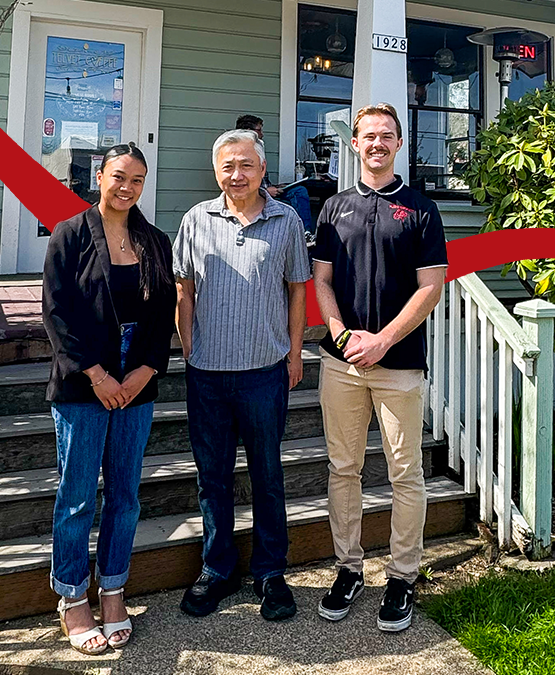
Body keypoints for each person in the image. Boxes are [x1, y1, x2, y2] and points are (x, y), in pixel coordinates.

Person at [310, 103, 448, 633]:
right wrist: (342, 334)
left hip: (399, 365)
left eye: (386, 136)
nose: (377, 143)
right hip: (341, 363)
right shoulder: (334, 208)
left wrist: (383, 340)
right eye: (368, 136)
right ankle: (348, 569)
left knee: (404, 473)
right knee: (343, 469)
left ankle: (402, 576)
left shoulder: (421, 209)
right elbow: (322, 281)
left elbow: (430, 287)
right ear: (354, 144)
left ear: (399, 143)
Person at [43, 143, 176, 654]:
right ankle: (73, 597)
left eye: (137, 180)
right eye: (119, 176)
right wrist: (98, 375)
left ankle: (114, 590)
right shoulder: (70, 234)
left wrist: (144, 371)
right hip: (83, 382)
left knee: (125, 495)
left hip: (136, 383)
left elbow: (163, 313)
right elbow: (56, 312)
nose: (127, 188)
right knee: (77, 496)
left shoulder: (155, 241)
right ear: (99, 177)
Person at [173, 128, 311, 621]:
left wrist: (294, 354)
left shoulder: (286, 220)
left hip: (264, 374)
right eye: (228, 166)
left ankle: (271, 572)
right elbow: (184, 290)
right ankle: (218, 569)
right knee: (212, 478)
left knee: (267, 476)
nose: (237, 174)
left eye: (246, 165)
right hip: (207, 376)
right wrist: (190, 348)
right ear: (217, 171)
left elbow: (298, 290)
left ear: (262, 169)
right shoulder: (196, 219)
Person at [235, 114, 315, 240]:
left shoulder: (257, 150)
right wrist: (265, 191)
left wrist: (276, 187)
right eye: (259, 130)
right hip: (257, 195)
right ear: (249, 131)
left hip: (266, 191)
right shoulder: (240, 152)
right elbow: (241, 183)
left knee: (299, 191)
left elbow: (261, 180)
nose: (262, 134)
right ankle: (302, 234)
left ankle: (305, 233)